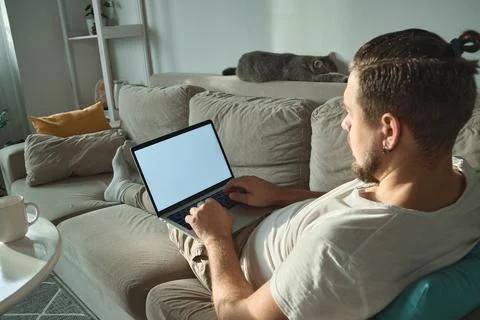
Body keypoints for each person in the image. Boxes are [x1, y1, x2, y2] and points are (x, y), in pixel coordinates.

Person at [106, 28, 480, 320]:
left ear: (389, 131)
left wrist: (216, 237)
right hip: (271, 214)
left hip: (236, 254)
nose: (345, 125)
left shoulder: (340, 251)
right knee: (207, 192)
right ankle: (132, 183)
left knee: (175, 207)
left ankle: (123, 188)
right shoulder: (461, 179)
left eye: (349, 111)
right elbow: (366, 208)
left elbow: (239, 316)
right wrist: (280, 195)